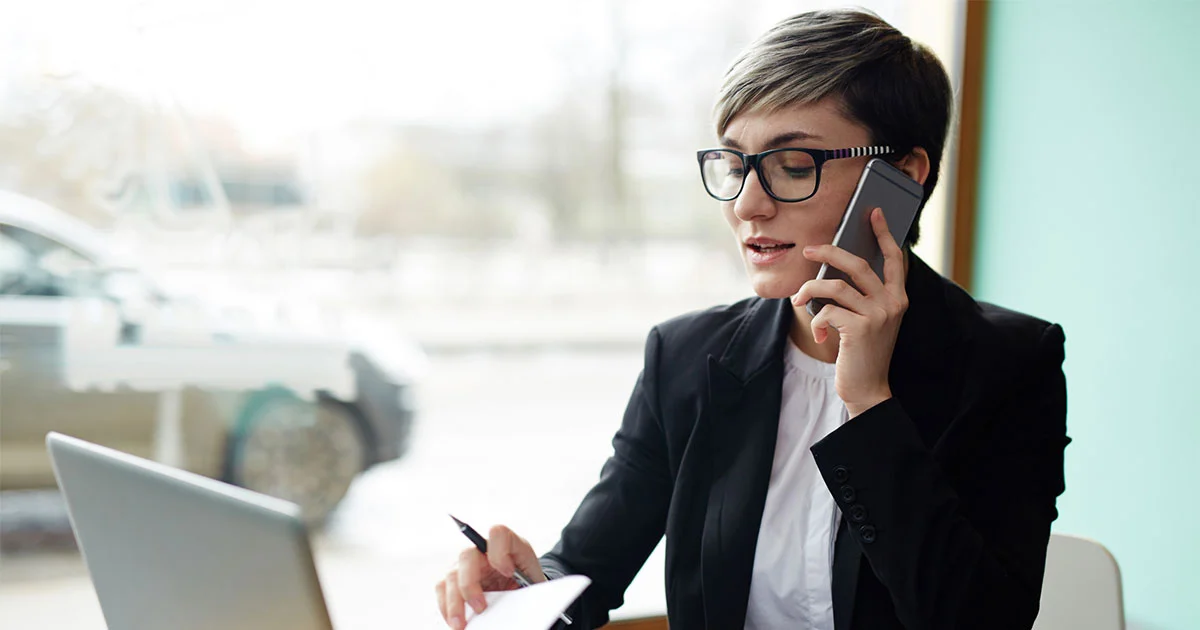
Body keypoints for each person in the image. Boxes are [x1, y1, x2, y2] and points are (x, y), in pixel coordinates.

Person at [435, 9, 1068, 630]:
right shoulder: (685, 357)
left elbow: (982, 618)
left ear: (901, 176)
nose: (747, 205)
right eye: (737, 164)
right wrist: (522, 592)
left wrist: (869, 404)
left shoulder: (1008, 364)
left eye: (794, 166)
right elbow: (586, 573)